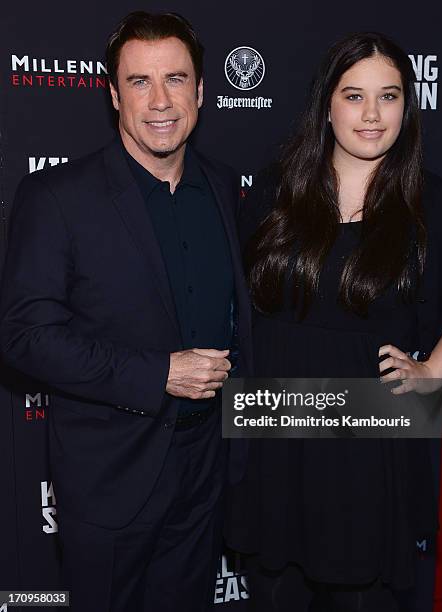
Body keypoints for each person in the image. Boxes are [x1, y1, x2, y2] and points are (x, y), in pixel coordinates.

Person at [0, 11, 252, 612]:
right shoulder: (58, 197)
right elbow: (24, 335)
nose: (160, 100)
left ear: (201, 90)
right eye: (139, 81)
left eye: (176, 79)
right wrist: (158, 372)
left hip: (204, 473)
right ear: (113, 94)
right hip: (110, 479)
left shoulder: (221, 187)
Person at [225, 32, 442, 611]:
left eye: (388, 96)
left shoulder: (439, 206)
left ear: (407, 107)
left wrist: (435, 369)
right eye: (353, 95)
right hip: (273, 432)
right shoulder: (275, 190)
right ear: (326, 104)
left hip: (369, 438)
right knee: (273, 594)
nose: (371, 114)